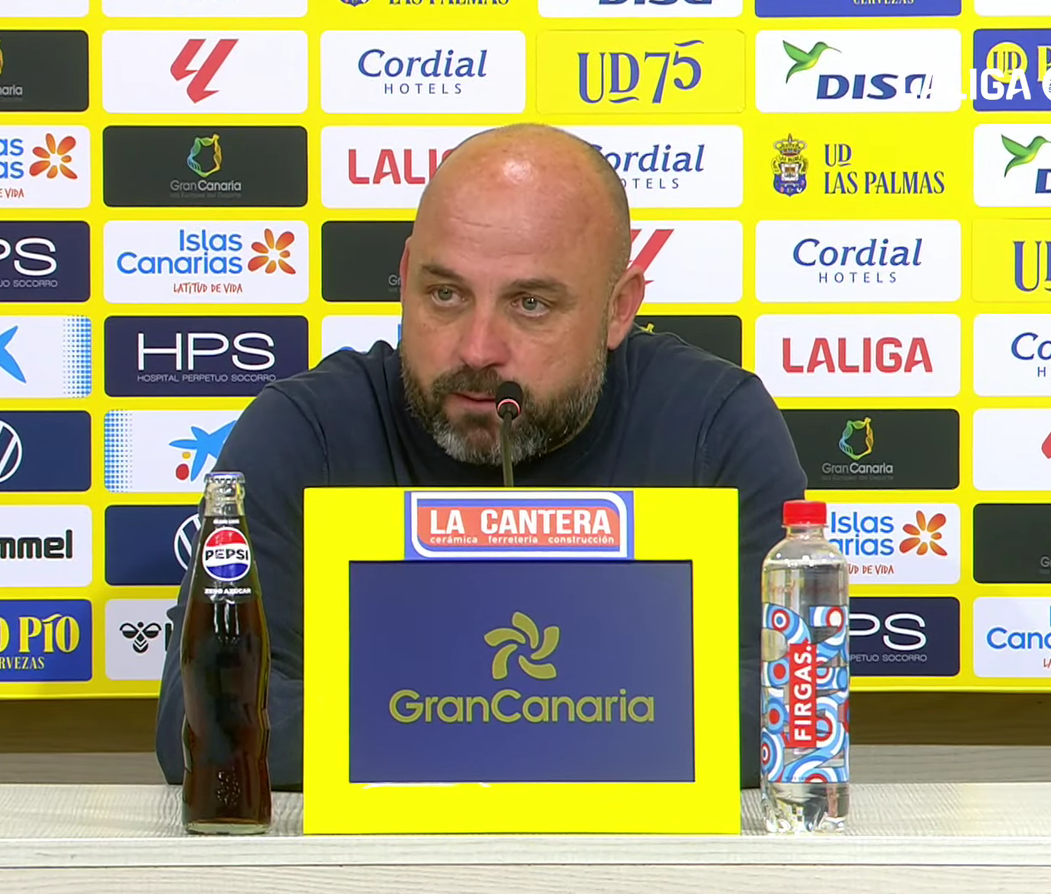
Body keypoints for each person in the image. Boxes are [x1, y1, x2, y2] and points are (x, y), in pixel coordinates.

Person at [154, 123, 808, 791]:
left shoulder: (713, 428)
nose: (476, 349)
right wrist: (596, 721)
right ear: (406, 277)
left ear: (620, 310)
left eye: (530, 304)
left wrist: (427, 723)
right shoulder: (306, 432)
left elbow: (789, 720)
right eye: (445, 294)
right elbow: (205, 716)